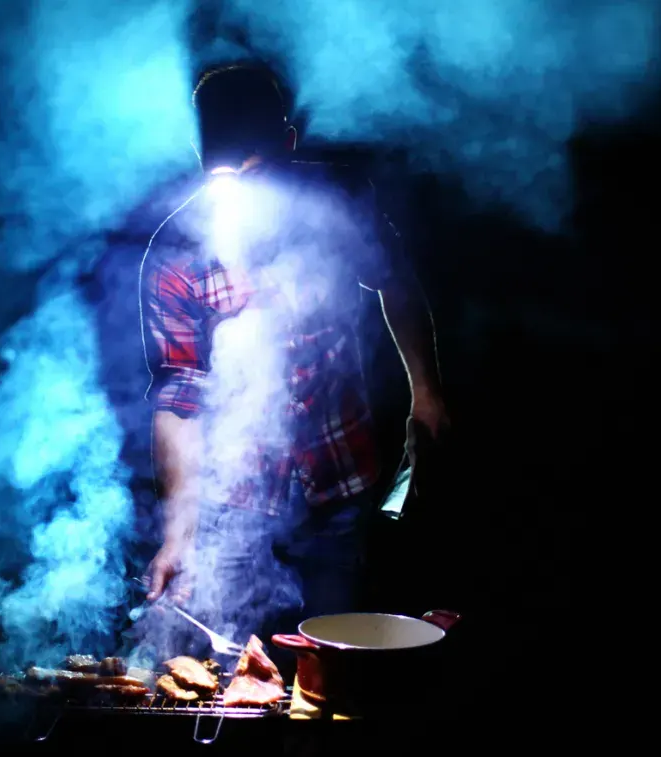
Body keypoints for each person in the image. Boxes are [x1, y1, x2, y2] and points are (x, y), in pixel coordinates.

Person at [138, 62, 449, 648]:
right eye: (223, 169)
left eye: (253, 169)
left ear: (288, 143)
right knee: (229, 661)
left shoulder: (339, 201)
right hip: (234, 500)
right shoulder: (174, 252)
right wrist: (178, 531)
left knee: (338, 655)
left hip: (340, 480)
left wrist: (426, 394)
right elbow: (179, 394)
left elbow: (397, 284)